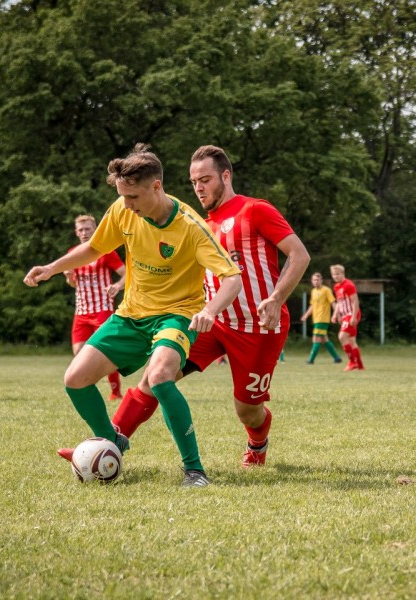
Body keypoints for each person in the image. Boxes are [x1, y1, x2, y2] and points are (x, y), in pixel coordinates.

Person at [25, 144, 242, 487]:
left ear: (157, 186)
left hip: (176, 314)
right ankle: (111, 442)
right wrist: (52, 268)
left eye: (133, 197)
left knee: (159, 378)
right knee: (75, 378)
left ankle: (195, 471)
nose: (126, 205)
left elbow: (232, 278)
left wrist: (210, 310)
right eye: (122, 197)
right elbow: (96, 247)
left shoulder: (191, 226)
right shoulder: (123, 209)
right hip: (130, 314)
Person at [99, 144, 310, 469]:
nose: (199, 187)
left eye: (206, 179)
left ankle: (257, 441)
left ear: (226, 176)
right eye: (194, 181)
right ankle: (107, 447)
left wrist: (277, 297)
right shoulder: (195, 222)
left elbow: (299, 255)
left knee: (247, 410)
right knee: (156, 376)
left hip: (259, 329)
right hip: (209, 324)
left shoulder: (255, 210)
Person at [64, 215, 126, 399]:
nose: (84, 233)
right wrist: (69, 277)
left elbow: (126, 273)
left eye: (88, 229)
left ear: (95, 230)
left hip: (102, 310)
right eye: (81, 230)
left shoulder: (105, 251)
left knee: (105, 352)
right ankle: (87, 389)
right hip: (81, 312)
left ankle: (115, 392)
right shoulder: (73, 252)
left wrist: (117, 286)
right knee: (79, 355)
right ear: (76, 232)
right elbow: (75, 284)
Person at [300, 272, 343, 364]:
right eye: (314, 280)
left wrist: (338, 315)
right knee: (324, 339)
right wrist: (306, 315)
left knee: (316, 339)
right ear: (312, 281)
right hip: (316, 319)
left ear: (321, 280)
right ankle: (337, 358)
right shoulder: (313, 291)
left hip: (323, 319)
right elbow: (312, 305)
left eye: (318, 280)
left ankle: (311, 360)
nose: (316, 282)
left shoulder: (326, 290)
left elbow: (333, 303)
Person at [331, 264, 364, 370]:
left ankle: (352, 362)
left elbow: (355, 301)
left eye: (337, 274)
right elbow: (339, 302)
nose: (335, 276)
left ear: (343, 274)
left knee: (342, 336)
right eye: (333, 274)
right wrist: (335, 314)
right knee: (351, 340)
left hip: (351, 314)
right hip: (345, 315)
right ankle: (359, 365)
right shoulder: (336, 287)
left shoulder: (348, 285)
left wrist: (353, 317)